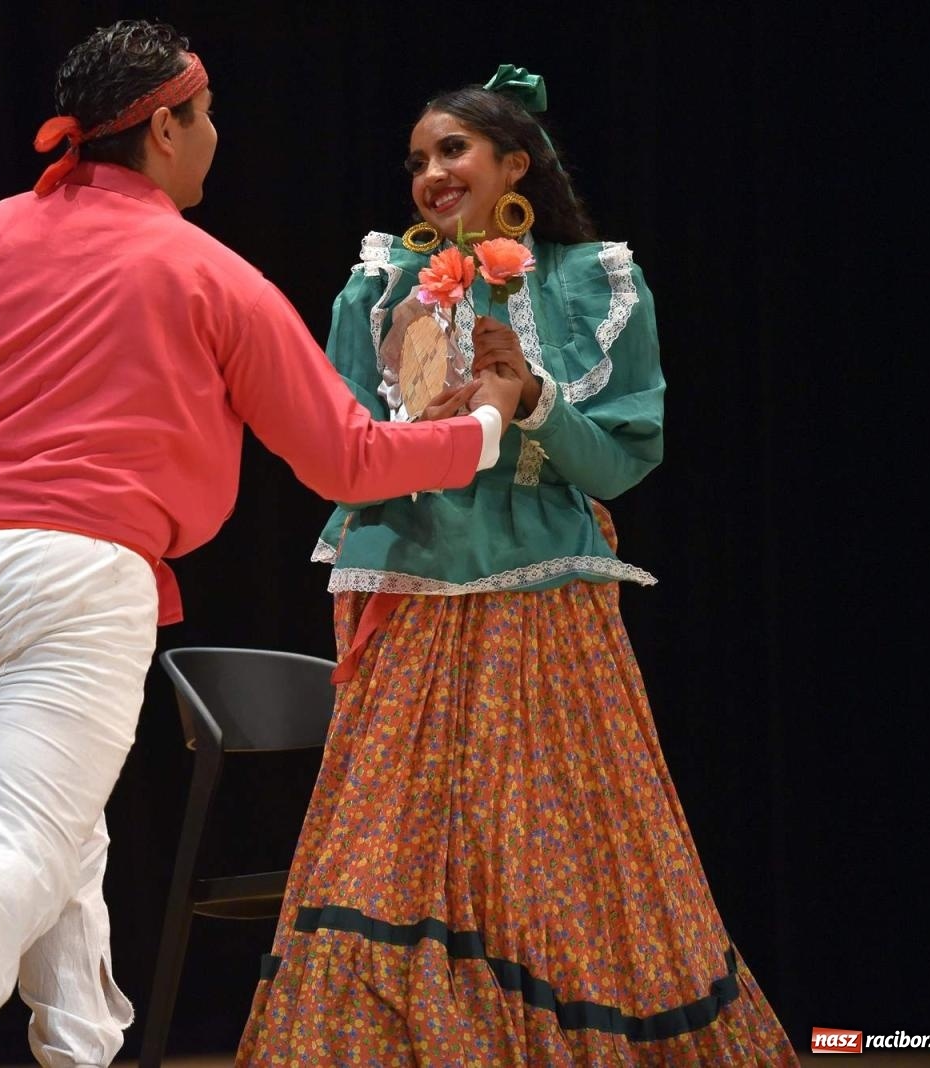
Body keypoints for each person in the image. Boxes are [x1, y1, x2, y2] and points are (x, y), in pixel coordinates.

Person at [0, 21, 522, 1068]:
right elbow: (346, 462)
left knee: (64, 832)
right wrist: (480, 431)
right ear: (165, 126)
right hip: (74, 582)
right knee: (29, 824)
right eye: (203, 117)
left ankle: (81, 1050)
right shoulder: (213, 277)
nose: (216, 136)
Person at [236, 67, 800, 1065]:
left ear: (514, 161)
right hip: (405, 583)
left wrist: (533, 397)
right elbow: (341, 446)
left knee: (549, 829)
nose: (430, 173)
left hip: (539, 586)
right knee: (390, 834)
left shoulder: (588, 282)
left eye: (452, 149)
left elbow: (621, 459)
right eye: (417, 159)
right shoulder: (382, 282)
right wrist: (425, 409)